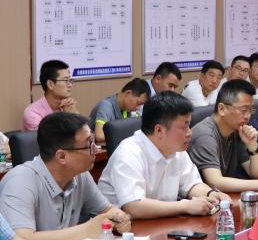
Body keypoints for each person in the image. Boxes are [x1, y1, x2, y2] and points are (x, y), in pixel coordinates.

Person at [0, 112, 130, 240]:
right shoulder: (20, 182)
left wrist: (118, 218)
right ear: (61, 156)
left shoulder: (80, 175)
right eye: (89, 144)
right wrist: (85, 231)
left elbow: (107, 210)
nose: (96, 149)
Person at [97, 91, 229, 219]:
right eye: (184, 127)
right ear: (159, 130)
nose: (189, 133)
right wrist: (185, 206)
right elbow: (134, 206)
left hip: (160, 224)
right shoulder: (129, 153)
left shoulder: (176, 149)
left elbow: (192, 184)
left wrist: (211, 194)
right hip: (121, 229)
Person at [187, 79, 258, 193]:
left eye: (251, 110)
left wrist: (252, 145)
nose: (248, 116)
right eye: (244, 110)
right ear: (222, 109)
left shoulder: (237, 130)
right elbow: (215, 182)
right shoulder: (205, 135)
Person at [90, 78, 150, 144]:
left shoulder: (127, 109)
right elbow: (99, 136)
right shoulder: (106, 106)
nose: (138, 108)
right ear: (128, 93)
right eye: (138, 103)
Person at [23, 59, 78, 131]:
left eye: (70, 80)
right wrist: (70, 117)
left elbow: (85, 133)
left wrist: (74, 114)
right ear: (50, 84)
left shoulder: (67, 106)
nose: (70, 85)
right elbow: (49, 137)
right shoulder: (32, 113)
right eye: (65, 80)